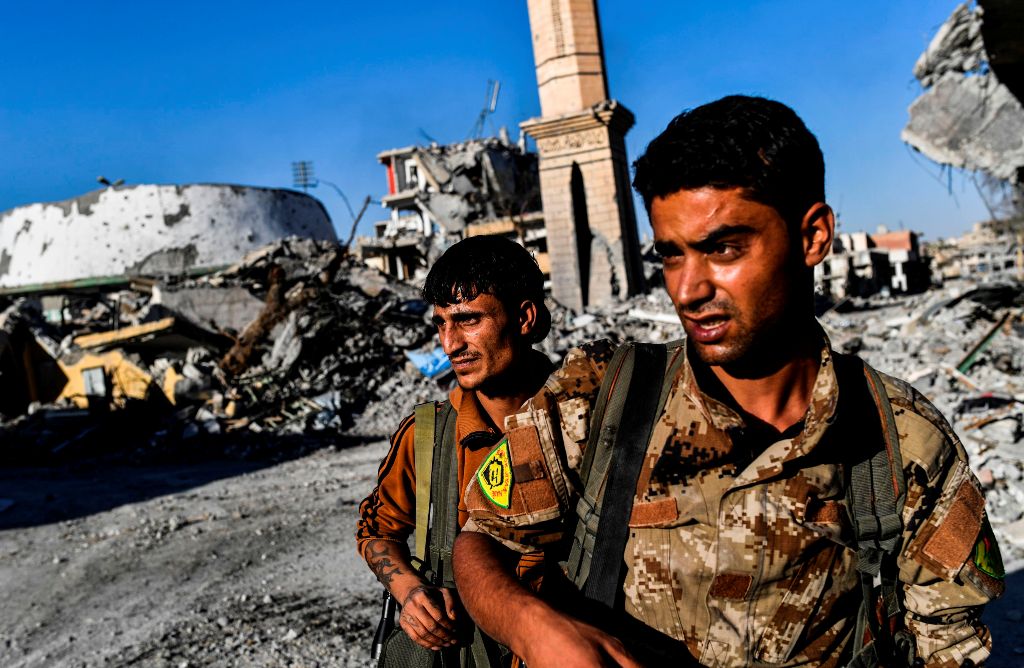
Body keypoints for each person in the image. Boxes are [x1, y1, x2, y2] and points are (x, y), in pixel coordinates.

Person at [451, 96, 1004, 667]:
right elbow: (481, 540)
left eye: (723, 248)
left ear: (813, 235)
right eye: (671, 255)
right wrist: (533, 627)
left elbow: (947, 647)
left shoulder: (901, 442)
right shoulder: (599, 397)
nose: (688, 289)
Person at [356, 234, 554, 657]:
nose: (450, 345)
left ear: (524, 318)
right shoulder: (427, 435)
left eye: (467, 320)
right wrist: (410, 592)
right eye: (441, 324)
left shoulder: (590, 419)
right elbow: (376, 530)